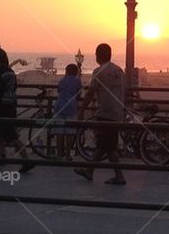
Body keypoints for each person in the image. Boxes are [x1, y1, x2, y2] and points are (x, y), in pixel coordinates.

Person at [76, 43, 127, 185]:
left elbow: (91, 92)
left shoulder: (99, 71)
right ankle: (89, 171)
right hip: (117, 111)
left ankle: (119, 176)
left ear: (98, 55)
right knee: (105, 144)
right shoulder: (119, 71)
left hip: (105, 112)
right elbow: (125, 90)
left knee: (108, 146)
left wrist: (81, 111)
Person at [53, 63, 82, 159]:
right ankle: (68, 154)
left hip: (59, 106)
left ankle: (59, 154)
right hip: (71, 107)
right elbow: (79, 94)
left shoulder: (62, 81)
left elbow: (59, 91)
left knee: (59, 132)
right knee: (70, 132)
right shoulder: (77, 81)